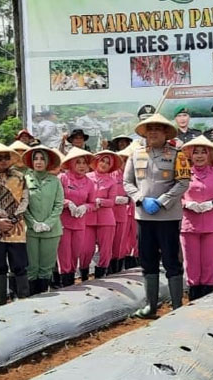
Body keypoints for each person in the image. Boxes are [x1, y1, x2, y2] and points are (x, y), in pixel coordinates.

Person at [123, 113, 190, 318]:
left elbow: (183, 182)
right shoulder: (136, 155)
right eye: (149, 129)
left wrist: (162, 201)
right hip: (144, 216)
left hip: (168, 217)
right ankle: (151, 306)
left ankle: (177, 307)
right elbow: (127, 183)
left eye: (157, 129)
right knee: (147, 260)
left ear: (165, 133)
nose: (153, 132)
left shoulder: (178, 155)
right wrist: (141, 199)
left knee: (171, 260)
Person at [180, 136, 213, 299]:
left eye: (203, 152)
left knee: (209, 263)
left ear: (209, 155)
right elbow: (175, 194)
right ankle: (193, 294)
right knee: (191, 263)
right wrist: (186, 203)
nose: (199, 156)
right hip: (189, 224)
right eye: (196, 152)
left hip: (212, 225)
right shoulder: (183, 172)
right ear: (191, 155)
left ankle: (207, 296)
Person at [0, 143, 30, 305]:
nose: (3, 161)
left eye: (6, 158)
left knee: (19, 265)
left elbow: (25, 199)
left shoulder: (19, 177)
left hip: (16, 228)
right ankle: (1, 301)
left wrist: (15, 219)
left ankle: (21, 297)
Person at [22, 146, 64, 294]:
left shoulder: (55, 181)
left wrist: (48, 223)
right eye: (35, 158)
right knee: (32, 266)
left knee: (46, 267)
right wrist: (33, 222)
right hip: (31, 230)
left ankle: (44, 295)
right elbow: (23, 205)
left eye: (42, 159)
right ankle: (32, 297)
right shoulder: (25, 180)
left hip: (51, 231)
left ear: (47, 162)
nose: (38, 162)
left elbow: (59, 204)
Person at [58, 147, 96, 286]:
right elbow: (55, 199)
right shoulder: (63, 178)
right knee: (64, 254)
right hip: (63, 222)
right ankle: (64, 283)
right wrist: (68, 203)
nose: (82, 166)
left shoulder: (89, 183)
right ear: (71, 164)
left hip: (80, 223)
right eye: (78, 162)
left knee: (75, 253)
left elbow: (93, 203)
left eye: (84, 163)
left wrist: (85, 207)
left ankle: (72, 280)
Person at [84, 150, 121, 279]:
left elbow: (112, 201)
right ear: (97, 161)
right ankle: (84, 276)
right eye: (102, 161)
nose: (104, 164)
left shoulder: (112, 181)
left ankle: (101, 276)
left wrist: (101, 201)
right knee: (86, 249)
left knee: (105, 250)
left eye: (107, 163)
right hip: (88, 218)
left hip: (106, 219)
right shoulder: (87, 177)